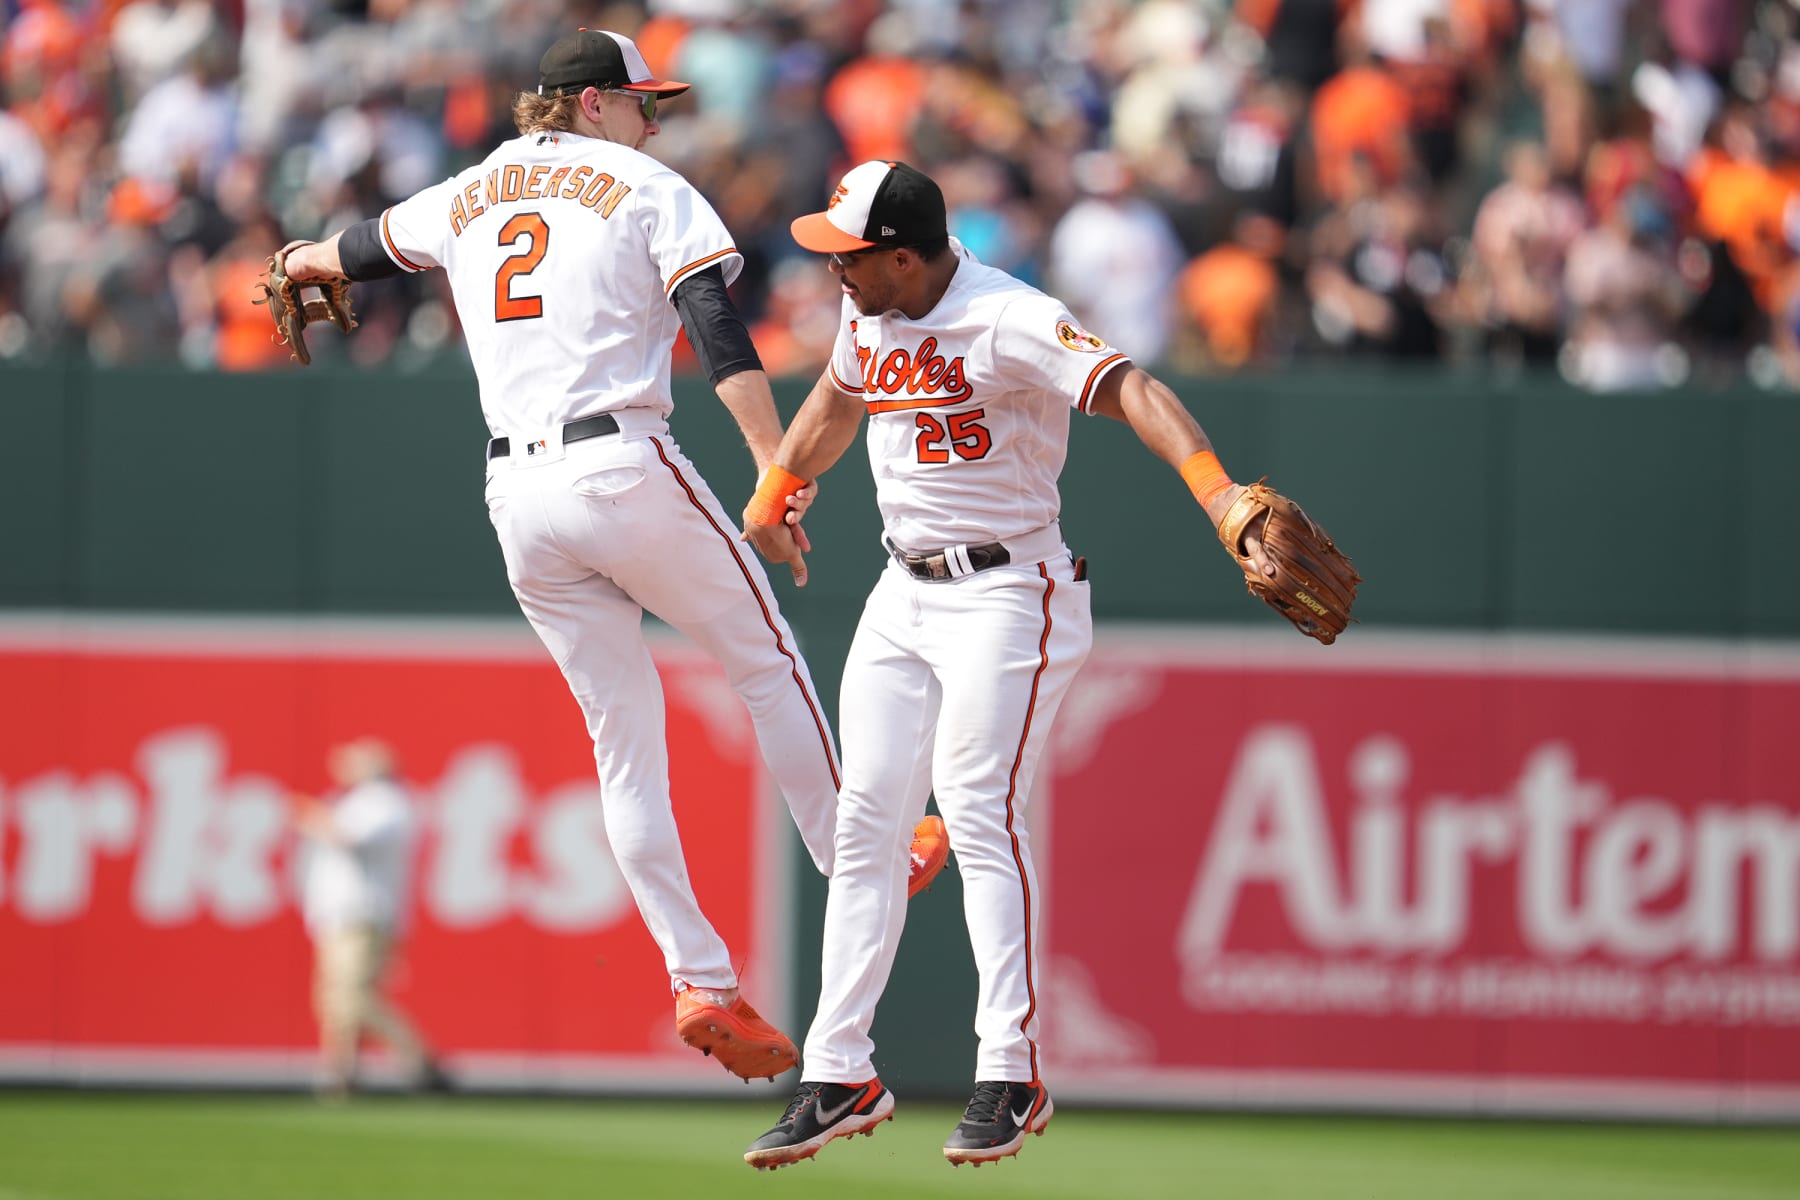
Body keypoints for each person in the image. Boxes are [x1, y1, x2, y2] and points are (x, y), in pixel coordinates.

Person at [274, 30, 948, 1082]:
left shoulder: (469, 188)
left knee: (622, 741)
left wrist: (296, 260)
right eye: (643, 101)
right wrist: (775, 468)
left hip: (518, 498)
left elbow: (354, 248)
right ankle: (861, 855)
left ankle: (701, 979)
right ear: (591, 104)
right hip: (621, 463)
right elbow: (715, 325)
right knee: (764, 659)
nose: (657, 118)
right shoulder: (640, 181)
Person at [737, 161, 1274, 1168]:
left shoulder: (1009, 316)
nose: (832, 271)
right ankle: (839, 1070)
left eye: (848, 257)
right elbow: (837, 401)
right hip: (902, 591)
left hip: (1007, 588)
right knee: (866, 823)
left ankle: (1011, 1070)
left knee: (977, 805)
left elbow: (1133, 387)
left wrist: (1219, 493)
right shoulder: (869, 312)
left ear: (903, 256)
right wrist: (777, 487)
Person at [292, 737, 445, 1100]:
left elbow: (346, 838)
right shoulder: (359, 801)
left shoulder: (386, 802)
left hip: (363, 915)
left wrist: (310, 817)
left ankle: (420, 1059)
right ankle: (340, 1076)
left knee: (352, 997)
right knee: (335, 1001)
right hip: (340, 914)